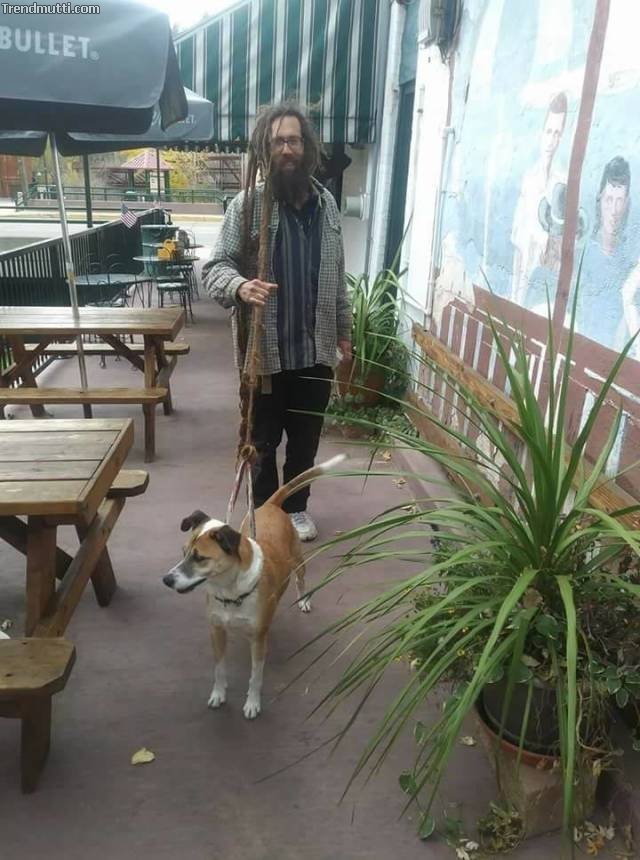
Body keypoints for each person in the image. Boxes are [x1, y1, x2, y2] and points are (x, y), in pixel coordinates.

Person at [203, 103, 352, 542]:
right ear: (264, 150)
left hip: (316, 352)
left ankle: (297, 508)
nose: (286, 149)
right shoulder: (247, 206)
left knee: (305, 442)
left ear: (307, 147)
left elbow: (337, 277)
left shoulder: (327, 207)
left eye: (294, 140)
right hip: (266, 357)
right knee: (263, 447)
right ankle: (265, 517)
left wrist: (345, 334)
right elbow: (215, 266)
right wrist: (240, 286)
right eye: (277, 142)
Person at [510, 92, 568, 305]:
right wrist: (514, 294)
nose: (551, 141)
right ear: (541, 133)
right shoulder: (529, 179)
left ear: (561, 138)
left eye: (557, 134)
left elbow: (560, 249)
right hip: (524, 276)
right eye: (549, 131)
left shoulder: (562, 183)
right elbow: (518, 244)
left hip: (544, 284)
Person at [576, 156, 633, 350]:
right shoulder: (581, 256)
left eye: (620, 201)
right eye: (609, 200)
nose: (614, 210)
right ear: (599, 200)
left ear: (627, 203)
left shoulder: (628, 270)